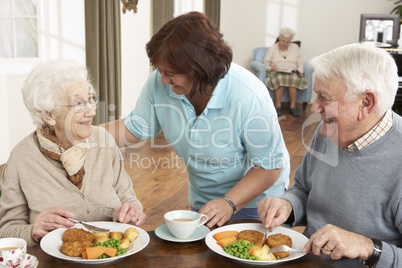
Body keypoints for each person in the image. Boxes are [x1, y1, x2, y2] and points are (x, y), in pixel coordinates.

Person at [102, 11, 290, 228]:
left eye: (170, 72)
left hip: (257, 204)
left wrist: (229, 202)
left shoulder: (248, 94)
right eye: (159, 70)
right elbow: (134, 129)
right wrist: (80, 135)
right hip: (205, 202)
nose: (162, 79)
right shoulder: (160, 83)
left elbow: (269, 167)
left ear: (200, 70)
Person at [258, 43, 402, 267]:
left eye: (324, 98)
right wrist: (288, 205)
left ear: (366, 103)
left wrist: (367, 247)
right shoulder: (329, 129)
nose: (314, 108)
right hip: (307, 261)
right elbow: (304, 188)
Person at [0, 59, 146, 247]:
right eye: (78, 104)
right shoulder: (21, 158)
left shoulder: (104, 141)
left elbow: (128, 198)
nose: (91, 111)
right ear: (48, 115)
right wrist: (33, 231)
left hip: (112, 255)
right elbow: (5, 232)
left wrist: (132, 211)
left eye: (91, 99)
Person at [264, 27, 308, 117]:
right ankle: (278, 106)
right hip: (276, 72)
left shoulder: (295, 47)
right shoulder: (272, 48)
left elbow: (299, 61)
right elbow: (265, 63)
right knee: (280, 79)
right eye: (283, 41)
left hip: (291, 71)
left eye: (288, 42)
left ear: (291, 40)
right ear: (279, 38)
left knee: (294, 79)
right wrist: (271, 68)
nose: (285, 43)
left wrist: (300, 70)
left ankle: (293, 106)